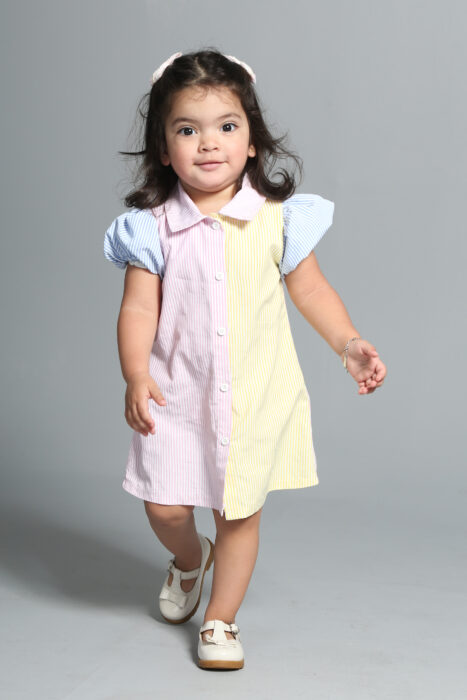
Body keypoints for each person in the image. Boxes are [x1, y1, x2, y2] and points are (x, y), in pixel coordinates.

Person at [103, 48, 387, 670]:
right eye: (187, 130)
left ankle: (221, 619)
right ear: (163, 148)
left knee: (238, 513)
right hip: (176, 392)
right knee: (165, 506)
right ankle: (189, 559)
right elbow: (138, 309)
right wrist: (136, 373)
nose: (209, 143)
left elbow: (311, 291)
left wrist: (347, 343)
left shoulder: (277, 220)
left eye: (227, 126)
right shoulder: (152, 227)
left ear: (252, 140)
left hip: (254, 393)